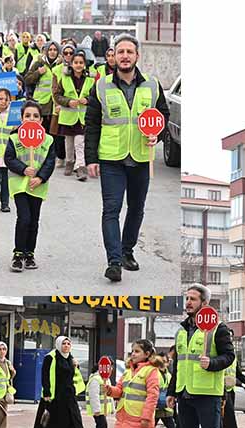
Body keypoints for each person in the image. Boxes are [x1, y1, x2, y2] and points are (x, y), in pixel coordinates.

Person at [85, 35, 169, 282]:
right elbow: (91, 124)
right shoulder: (101, 86)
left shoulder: (152, 85)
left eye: (129, 52)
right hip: (111, 159)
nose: (124, 56)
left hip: (141, 157)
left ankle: (126, 251)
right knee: (111, 210)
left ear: (136, 56)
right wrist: (91, 158)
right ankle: (113, 262)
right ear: (114, 55)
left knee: (136, 209)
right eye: (120, 51)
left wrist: (159, 134)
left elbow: (163, 115)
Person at [167, 284, 235, 428]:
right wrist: (172, 391)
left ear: (204, 304)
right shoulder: (182, 330)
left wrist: (212, 363)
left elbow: (229, 356)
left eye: (193, 299)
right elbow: (179, 364)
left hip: (207, 394)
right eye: (187, 298)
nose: (188, 302)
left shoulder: (218, 328)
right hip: (185, 393)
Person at [5, 100, 56, 272]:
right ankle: (18, 253)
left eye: (35, 116)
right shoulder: (14, 138)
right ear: (21, 118)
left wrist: (41, 178)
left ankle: (29, 253)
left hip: (38, 186)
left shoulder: (48, 140)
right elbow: (9, 159)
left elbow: (50, 162)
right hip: (19, 185)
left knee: (34, 221)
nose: (31, 118)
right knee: (24, 218)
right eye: (27, 115)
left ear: (41, 120)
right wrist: (24, 169)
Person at [35, 336, 98, 428]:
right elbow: (45, 375)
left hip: (68, 393)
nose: (66, 346)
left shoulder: (71, 358)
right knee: (47, 418)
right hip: (54, 394)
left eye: (68, 344)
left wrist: (76, 366)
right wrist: (47, 392)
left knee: (75, 416)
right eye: (64, 343)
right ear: (58, 344)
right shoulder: (51, 357)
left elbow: (72, 374)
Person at [54, 51, 94, 181]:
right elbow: (57, 95)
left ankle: (80, 167)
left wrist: (87, 100)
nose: (78, 65)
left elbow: (94, 96)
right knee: (69, 142)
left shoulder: (89, 80)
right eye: (76, 62)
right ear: (71, 64)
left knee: (79, 143)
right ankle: (69, 161)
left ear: (84, 64)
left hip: (82, 118)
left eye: (81, 63)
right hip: (67, 117)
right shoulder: (64, 79)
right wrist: (68, 102)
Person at [22, 41, 61, 130]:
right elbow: (27, 80)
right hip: (41, 103)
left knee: (54, 134)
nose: (52, 52)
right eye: (50, 49)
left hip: (56, 104)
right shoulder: (39, 63)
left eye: (55, 50)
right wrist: (38, 73)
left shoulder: (61, 65)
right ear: (46, 51)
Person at [86, 360, 115, 428]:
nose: (111, 369)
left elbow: (108, 395)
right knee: (103, 426)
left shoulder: (105, 378)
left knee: (101, 426)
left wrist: (112, 408)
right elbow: (93, 395)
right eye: (110, 367)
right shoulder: (96, 379)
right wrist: (96, 409)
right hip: (98, 410)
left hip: (103, 409)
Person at [222, 359, 245, 428]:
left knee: (227, 416)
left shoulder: (233, 356)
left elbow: (237, 372)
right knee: (227, 416)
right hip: (219, 388)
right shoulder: (221, 351)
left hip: (230, 389)